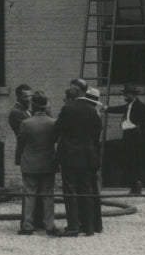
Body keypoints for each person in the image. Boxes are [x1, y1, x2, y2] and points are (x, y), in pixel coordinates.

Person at [53, 79, 102, 237]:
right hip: (87, 156)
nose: (70, 90)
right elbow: (96, 134)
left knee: (70, 190)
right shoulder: (92, 110)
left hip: (69, 156)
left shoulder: (68, 109)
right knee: (86, 190)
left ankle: (73, 225)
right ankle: (88, 227)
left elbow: (56, 131)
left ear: (78, 90)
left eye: (72, 88)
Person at [16, 91, 58, 236]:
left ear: (33, 105)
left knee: (29, 194)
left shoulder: (26, 123)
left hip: (30, 163)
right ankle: (49, 225)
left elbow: (20, 144)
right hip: (48, 162)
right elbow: (55, 140)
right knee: (48, 195)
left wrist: (19, 159)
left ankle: (28, 225)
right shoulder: (53, 122)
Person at [104, 84, 145, 195]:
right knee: (129, 160)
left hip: (135, 137)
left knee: (135, 161)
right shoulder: (129, 105)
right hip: (128, 135)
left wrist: (139, 126)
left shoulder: (139, 105)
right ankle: (134, 186)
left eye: (127, 94)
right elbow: (120, 109)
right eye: (125, 94)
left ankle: (137, 187)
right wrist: (107, 109)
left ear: (133, 95)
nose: (125, 96)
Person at [7, 84, 44, 230]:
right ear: (18, 97)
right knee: (30, 189)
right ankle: (29, 221)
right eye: (25, 96)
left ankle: (36, 220)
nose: (29, 99)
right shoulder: (16, 112)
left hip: (33, 154)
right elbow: (24, 134)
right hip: (28, 154)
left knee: (37, 189)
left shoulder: (26, 111)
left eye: (30, 96)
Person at [81, 86, 105, 235]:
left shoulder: (91, 114)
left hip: (90, 154)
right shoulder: (95, 112)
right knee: (94, 190)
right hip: (94, 154)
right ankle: (97, 223)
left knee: (89, 190)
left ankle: (90, 223)